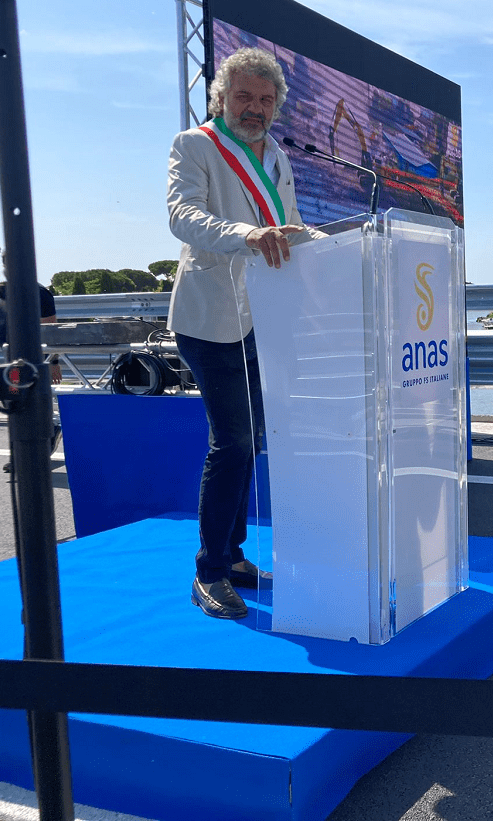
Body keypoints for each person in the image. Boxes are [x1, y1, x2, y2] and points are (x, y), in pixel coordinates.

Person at [167, 46, 311, 620]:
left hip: (265, 317)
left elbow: (292, 231)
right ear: (220, 98)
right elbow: (182, 215)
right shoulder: (194, 145)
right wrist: (245, 234)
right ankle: (208, 571)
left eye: (265, 99)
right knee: (233, 441)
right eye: (244, 97)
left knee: (251, 440)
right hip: (210, 318)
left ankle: (233, 555)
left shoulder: (277, 156)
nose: (255, 108)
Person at [0, 283, 63, 469]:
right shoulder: (9, 291)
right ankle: (31, 449)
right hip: (10, 357)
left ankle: (29, 455)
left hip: (30, 360)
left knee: (22, 402)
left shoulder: (39, 293)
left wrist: (53, 361)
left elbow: (51, 328)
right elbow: (0, 319)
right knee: (13, 402)